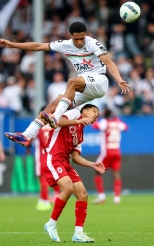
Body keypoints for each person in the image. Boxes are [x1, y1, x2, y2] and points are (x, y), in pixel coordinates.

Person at [0, 21, 130, 147]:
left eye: (82, 38)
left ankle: (56, 117)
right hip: (84, 86)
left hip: (99, 81)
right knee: (53, 105)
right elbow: (38, 46)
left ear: (85, 35)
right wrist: (13, 45)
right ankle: (26, 135)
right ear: (70, 36)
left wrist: (118, 79)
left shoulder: (93, 43)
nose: (79, 42)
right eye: (76, 39)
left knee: (72, 81)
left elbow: (108, 62)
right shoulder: (65, 45)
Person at [42, 104, 105, 243]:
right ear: (84, 111)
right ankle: (51, 224)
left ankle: (78, 233)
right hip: (54, 157)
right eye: (94, 111)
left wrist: (92, 164)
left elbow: (75, 157)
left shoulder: (80, 134)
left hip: (65, 161)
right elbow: (57, 121)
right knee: (68, 188)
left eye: (98, 114)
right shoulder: (75, 114)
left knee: (83, 194)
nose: (96, 115)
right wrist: (78, 120)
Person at [91, 108, 128, 204]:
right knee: (116, 174)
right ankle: (117, 198)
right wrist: (117, 119)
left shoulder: (104, 122)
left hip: (107, 152)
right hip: (117, 152)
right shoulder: (117, 123)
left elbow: (95, 126)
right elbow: (125, 127)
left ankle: (101, 196)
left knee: (96, 170)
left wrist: (96, 118)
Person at [34, 107, 60, 211]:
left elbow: (29, 140)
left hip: (42, 157)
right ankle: (48, 198)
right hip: (54, 157)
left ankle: (44, 201)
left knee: (43, 180)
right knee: (52, 178)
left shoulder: (38, 127)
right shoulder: (55, 127)